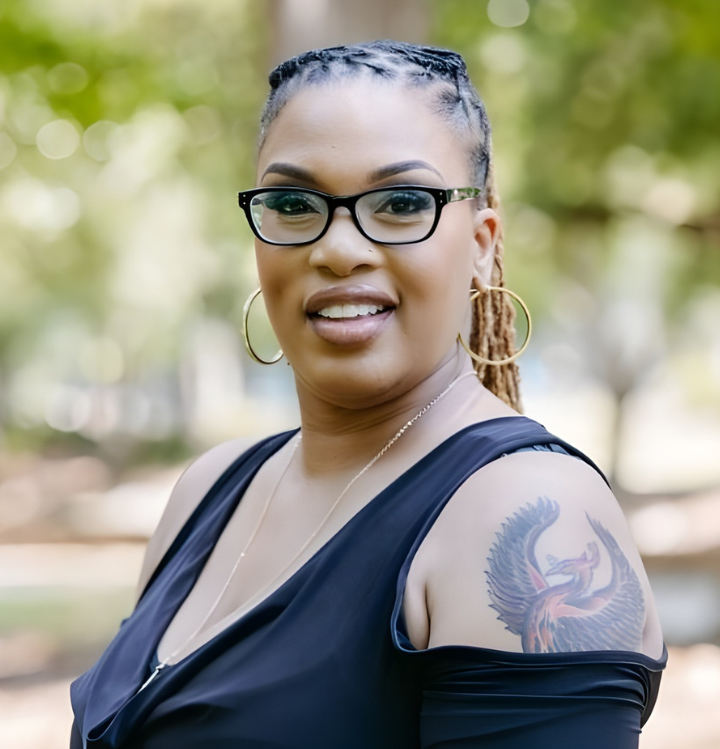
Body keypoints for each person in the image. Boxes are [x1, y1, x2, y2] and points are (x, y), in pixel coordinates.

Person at [69, 40, 666, 748]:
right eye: (294, 203)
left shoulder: (527, 510)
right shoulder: (208, 490)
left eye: (402, 203)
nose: (338, 249)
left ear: (481, 243)